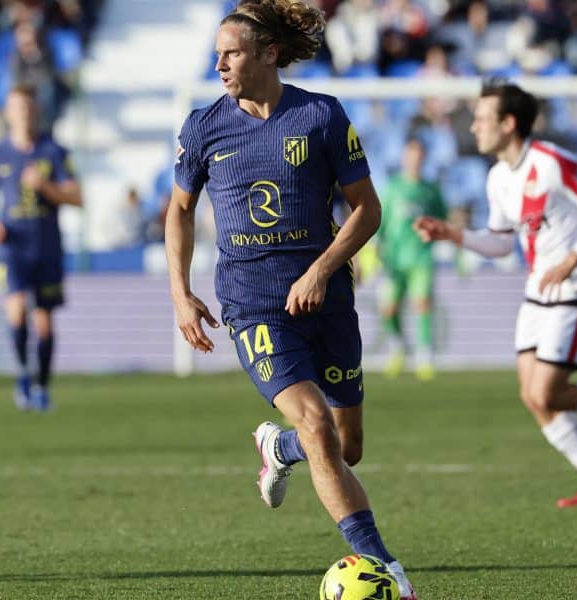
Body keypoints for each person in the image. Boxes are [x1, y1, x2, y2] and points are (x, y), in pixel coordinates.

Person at [165, 2, 416, 597]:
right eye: (218, 54)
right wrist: (180, 293)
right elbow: (179, 211)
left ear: (269, 54)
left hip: (326, 298)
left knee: (346, 445)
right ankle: (386, 570)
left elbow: (368, 209)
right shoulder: (203, 127)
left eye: (231, 53)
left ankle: (278, 446)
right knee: (316, 425)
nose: (219, 64)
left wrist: (321, 270)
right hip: (252, 305)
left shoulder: (320, 116)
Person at [414, 81, 577, 508]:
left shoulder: (551, 163)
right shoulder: (498, 178)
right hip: (538, 289)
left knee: (547, 392)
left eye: (482, 119)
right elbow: (501, 243)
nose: (474, 127)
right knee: (532, 396)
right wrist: (453, 234)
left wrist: (571, 259)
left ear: (508, 124)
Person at [0, 84, 82, 411]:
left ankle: (41, 386)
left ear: (36, 111)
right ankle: (23, 374)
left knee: (44, 322)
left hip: (47, 245)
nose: (22, 113)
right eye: (16, 107)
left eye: (27, 107)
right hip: (12, 245)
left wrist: (45, 186)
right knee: (15, 309)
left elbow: (77, 198)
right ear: (7, 113)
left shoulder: (54, 152)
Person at [377, 137, 446, 380]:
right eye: (410, 156)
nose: (414, 161)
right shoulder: (392, 188)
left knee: (422, 303)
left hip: (421, 258)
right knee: (388, 308)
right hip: (393, 260)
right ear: (404, 158)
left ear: (423, 159)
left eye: (418, 157)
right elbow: (380, 221)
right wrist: (374, 248)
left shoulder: (431, 191)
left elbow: (442, 220)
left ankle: (424, 355)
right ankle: (397, 347)